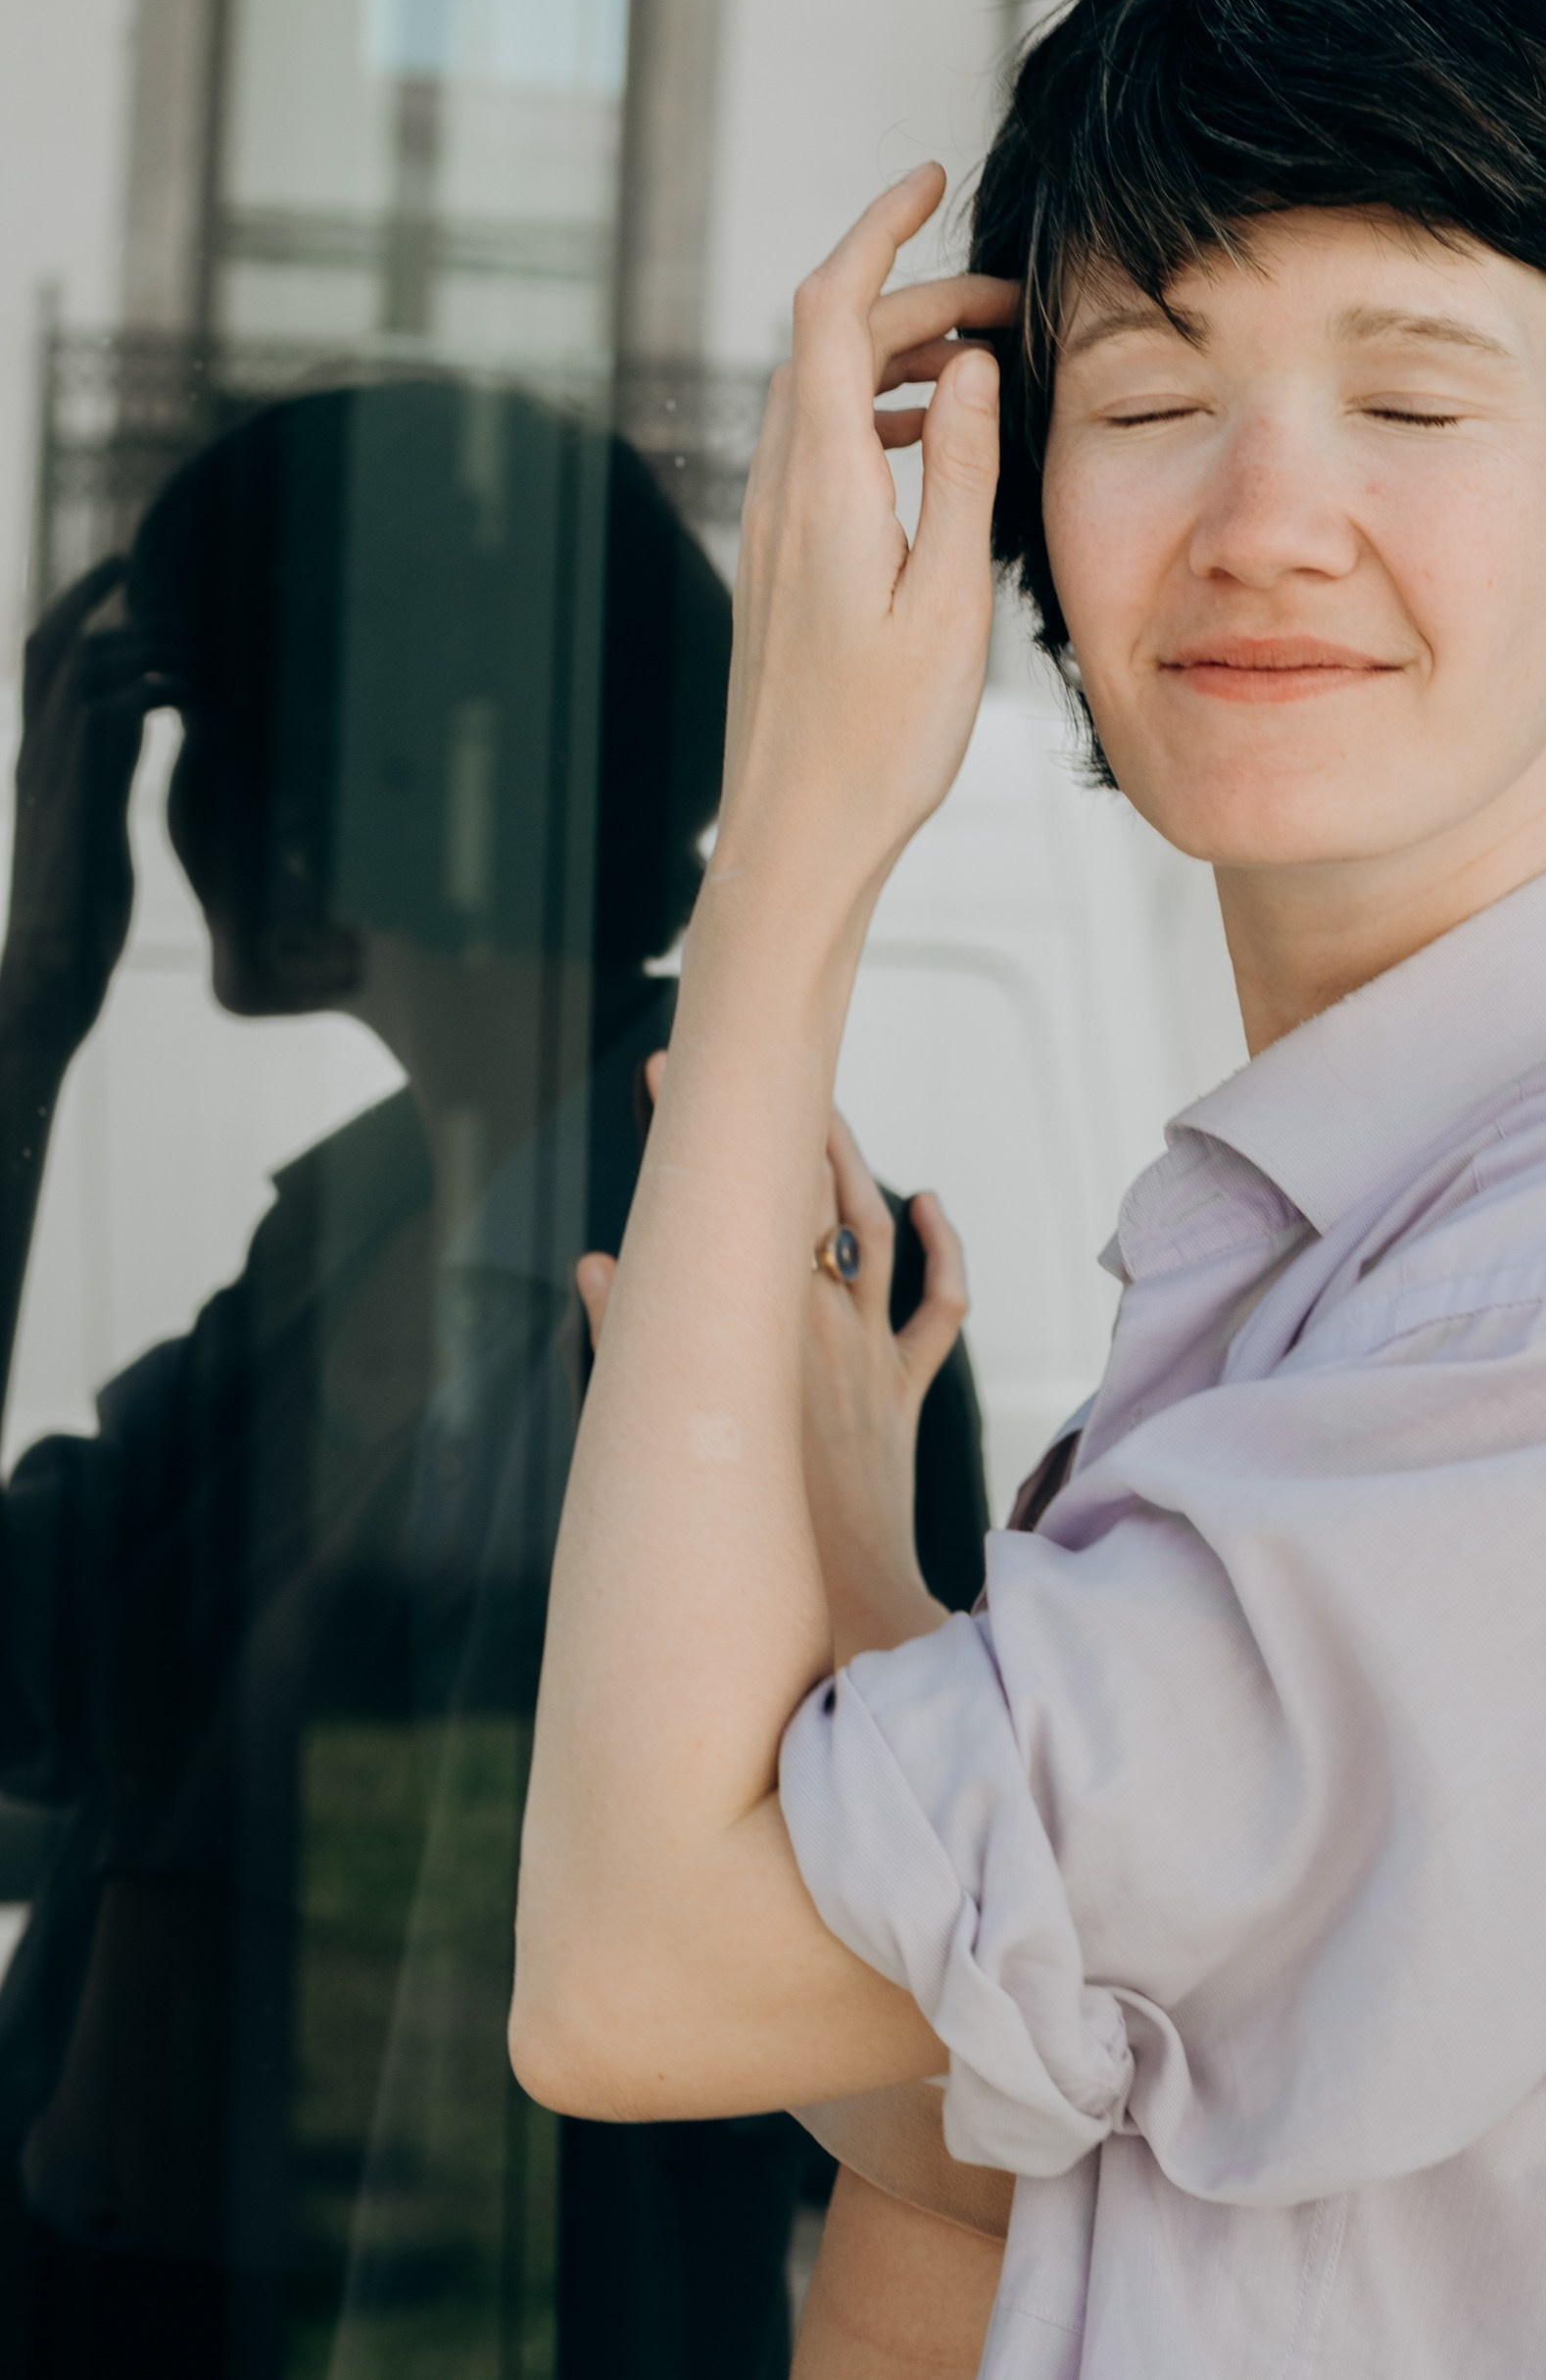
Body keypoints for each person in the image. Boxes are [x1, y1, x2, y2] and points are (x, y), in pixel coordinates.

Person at [514, 0, 1546, 2379]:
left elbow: (630, 1976)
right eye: (1146, 397)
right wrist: (881, 1596)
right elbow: (979, 2099)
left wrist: (786, 855)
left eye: (1411, 402)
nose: (1262, 515)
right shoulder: (1409, 1221)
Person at [0, 380, 988, 2377]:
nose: (180, 812)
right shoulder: (354, 1237)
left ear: (371, 791)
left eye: (204, 733)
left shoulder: (753, 1259)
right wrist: (28, 1023)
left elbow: (832, 2000)